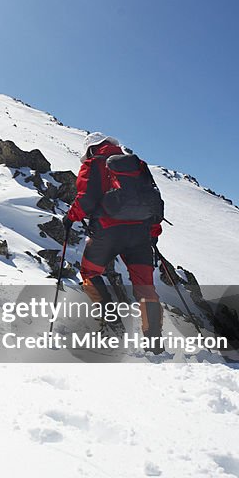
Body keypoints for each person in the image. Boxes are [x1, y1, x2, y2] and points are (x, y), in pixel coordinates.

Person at [62, 132, 164, 347]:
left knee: (90, 272)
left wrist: (70, 217)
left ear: (91, 148)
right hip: (141, 234)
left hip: (108, 232)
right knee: (145, 287)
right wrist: (153, 232)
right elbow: (153, 200)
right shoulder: (139, 165)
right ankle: (154, 340)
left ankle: (112, 325)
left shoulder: (94, 163)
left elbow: (86, 200)